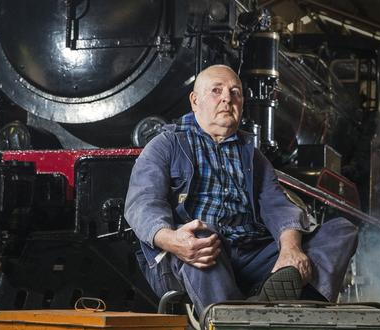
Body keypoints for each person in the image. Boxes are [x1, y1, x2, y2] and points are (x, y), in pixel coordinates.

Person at [124, 64, 358, 314]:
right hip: (193, 253)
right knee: (203, 240)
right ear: (195, 100)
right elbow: (142, 202)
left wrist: (291, 250)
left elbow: (277, 206)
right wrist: (172, 240)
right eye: (216, 90)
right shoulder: (166, 144)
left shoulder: (252, 155)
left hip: (251, 251)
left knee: (341, 231)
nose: (227, 98)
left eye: (235, 92)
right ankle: (233, 327)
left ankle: (297, 310)